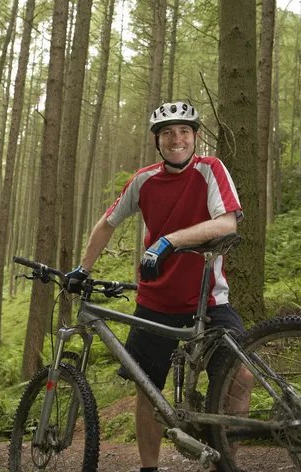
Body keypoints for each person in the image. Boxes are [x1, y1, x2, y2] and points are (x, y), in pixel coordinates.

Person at [67, 101, 251, 472]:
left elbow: (227, 223)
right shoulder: (144, 179)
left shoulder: (211, 169)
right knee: (147, 389)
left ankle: (227, 460)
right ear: (158, 141)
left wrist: (169, 241)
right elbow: (106, 223)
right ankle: (149, 467)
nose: (176, 139)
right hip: (156, 300)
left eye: (184, 131)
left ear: (195, 137)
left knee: (241, 376)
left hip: (208, 297)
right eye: (167, 133)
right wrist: (82, 269)